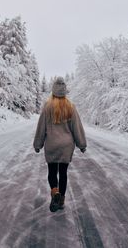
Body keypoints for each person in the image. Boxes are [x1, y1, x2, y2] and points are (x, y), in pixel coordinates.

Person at [33, 76, 87, 212]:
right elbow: (77, 127)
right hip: (66, 146)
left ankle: (54, 191)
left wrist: (38, 144)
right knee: (63, 173)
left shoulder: (47, 106)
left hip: (51, 144)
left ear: (53, 91)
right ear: (65, 91)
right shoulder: (70, 107)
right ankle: (61, 200)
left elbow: (41, 127)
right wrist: (82, 144)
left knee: (52, 172)